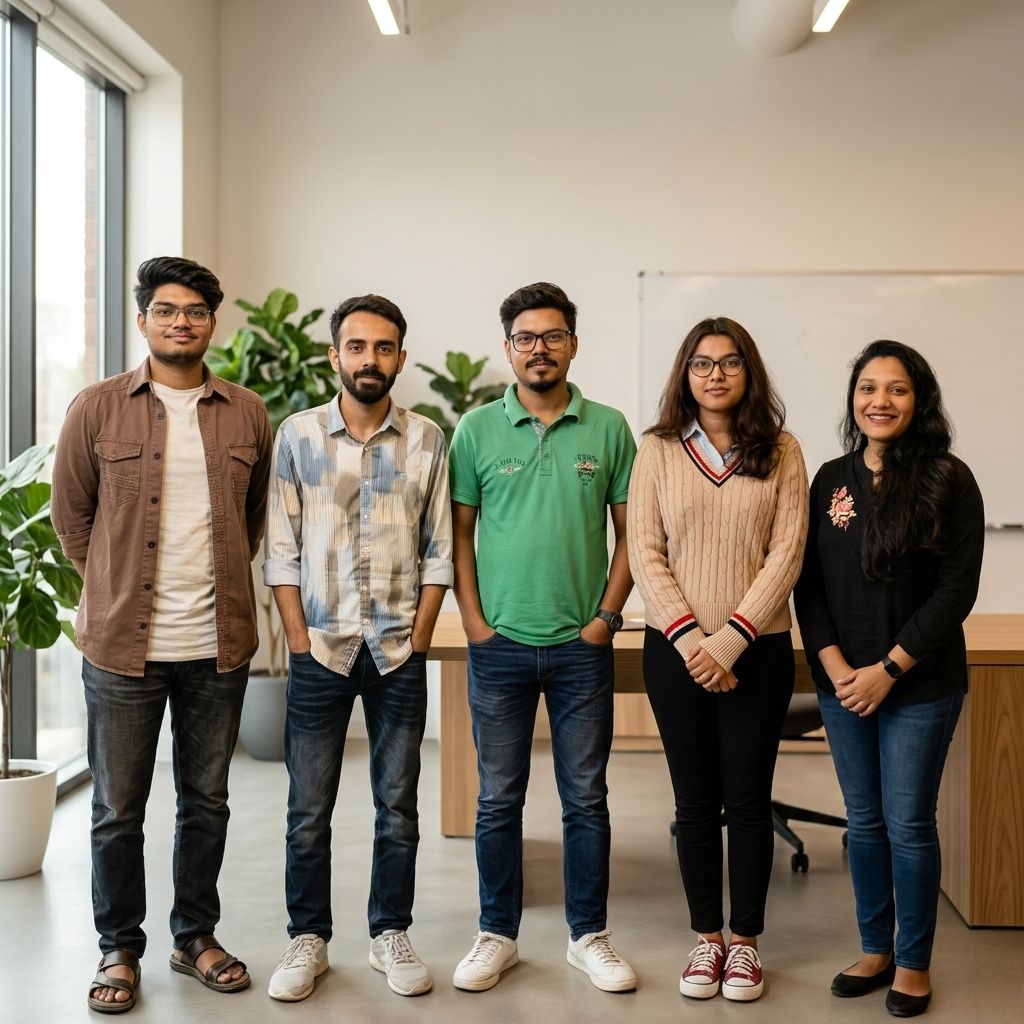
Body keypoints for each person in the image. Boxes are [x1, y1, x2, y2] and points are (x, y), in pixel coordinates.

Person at [51, 256, 273, 1013]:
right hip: (121, 649)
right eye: (168, 310)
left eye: (197, 312)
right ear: (143, 318)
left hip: (217, 644)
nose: (183, 322)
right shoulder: (95, 408)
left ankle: (194, 937)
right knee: (117, 809)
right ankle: (118, 949)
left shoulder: (246, 412)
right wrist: (112, 587)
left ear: (214, 323)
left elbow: (250, 521)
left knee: (205, 803)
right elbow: (70, 518)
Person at [447, 282, 638, 993]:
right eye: (525, 338)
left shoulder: (609, 427)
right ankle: (497, 933)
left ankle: (589, 936)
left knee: (585, 797)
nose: (539, 349)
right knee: (498, 798)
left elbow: (632, 538)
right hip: (498, 646)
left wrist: (605, 619)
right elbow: (460, 537)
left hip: (579, 647)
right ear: (509, 349)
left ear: (573, 345)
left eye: (552, 336)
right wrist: (473, 623)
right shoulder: (476, 430)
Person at [263, 294, 453, 1002]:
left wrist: (423, 635)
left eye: (383, 348)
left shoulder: (429, 438)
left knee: (396, 806)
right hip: (321, 648)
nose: (368, 359)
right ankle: (306, 938)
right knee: (308, 807)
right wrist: (297, 640)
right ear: (333, 355)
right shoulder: (298, 435)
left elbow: (440, 551)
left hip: (398, 651)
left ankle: (389, 934)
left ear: (400, 357)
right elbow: (279, 551)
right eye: (356, 346)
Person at [794, 340, 983, 1018]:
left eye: (896, 389)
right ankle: (874, 948)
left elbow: (957, 590)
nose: (880, 400)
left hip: (921, 684)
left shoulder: (948, 478)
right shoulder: (829, 480)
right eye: (868, 387)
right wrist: (841, 669)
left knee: (907, 823)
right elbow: (808, 587)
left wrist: (888, 670)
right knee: (865, 821)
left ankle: (912, 961)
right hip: (845, 683)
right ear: (853, 399)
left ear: (918, 398)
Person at [627, 316, 808, 1002]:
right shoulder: (659, 450)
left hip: (755, 653)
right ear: (685, 374)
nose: (715, 375)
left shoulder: (782, 450)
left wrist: (731, 639)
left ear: (748, 372)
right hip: (675, 653)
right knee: (695, 802)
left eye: (730, 363)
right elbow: (646, 552)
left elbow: (786, 554)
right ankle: (707, 941)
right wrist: (691, 641)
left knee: (748, 798)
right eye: (702, 364)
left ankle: (748, 947)